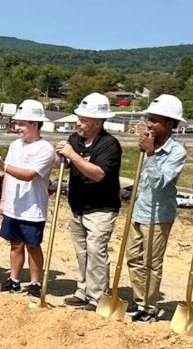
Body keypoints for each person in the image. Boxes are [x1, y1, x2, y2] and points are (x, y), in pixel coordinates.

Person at [57, 93, 122, 311]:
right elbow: (65, 162)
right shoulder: (75, 140)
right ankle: (83, 290)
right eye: (79, 118)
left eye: (84, 120)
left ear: (98, 121)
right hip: (78, 206)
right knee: (82, 252)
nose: (78, 123)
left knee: (96, 252)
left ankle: (98, 297)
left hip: (101, 208)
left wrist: (73, 156)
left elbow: (99, 174)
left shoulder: (109, 145)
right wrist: (62, 156)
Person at [125, 94, 187, 322]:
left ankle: (149, 306)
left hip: (158, 214)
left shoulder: (176, 152)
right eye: (149, 119)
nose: (149, 124)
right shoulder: (146, 144)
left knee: (152, 262)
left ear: (170, 123)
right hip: (138, 210)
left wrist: (150, 153)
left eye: (155, 120)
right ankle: (139, 298)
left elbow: (160, 182)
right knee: (133, 257)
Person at [0, 99, 56, 297]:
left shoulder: (45, 149)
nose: (17, 128)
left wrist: (4, 167)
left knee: (33, 246)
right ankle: (14, 279)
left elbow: (29, 174)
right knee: (15, 244)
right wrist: (3, 201)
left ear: (34, 125)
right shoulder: (15, 146)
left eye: (21, 124)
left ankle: (35, 283)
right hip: (13, 205)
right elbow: (8, 177)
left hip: (32, 207)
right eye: (17, 124)